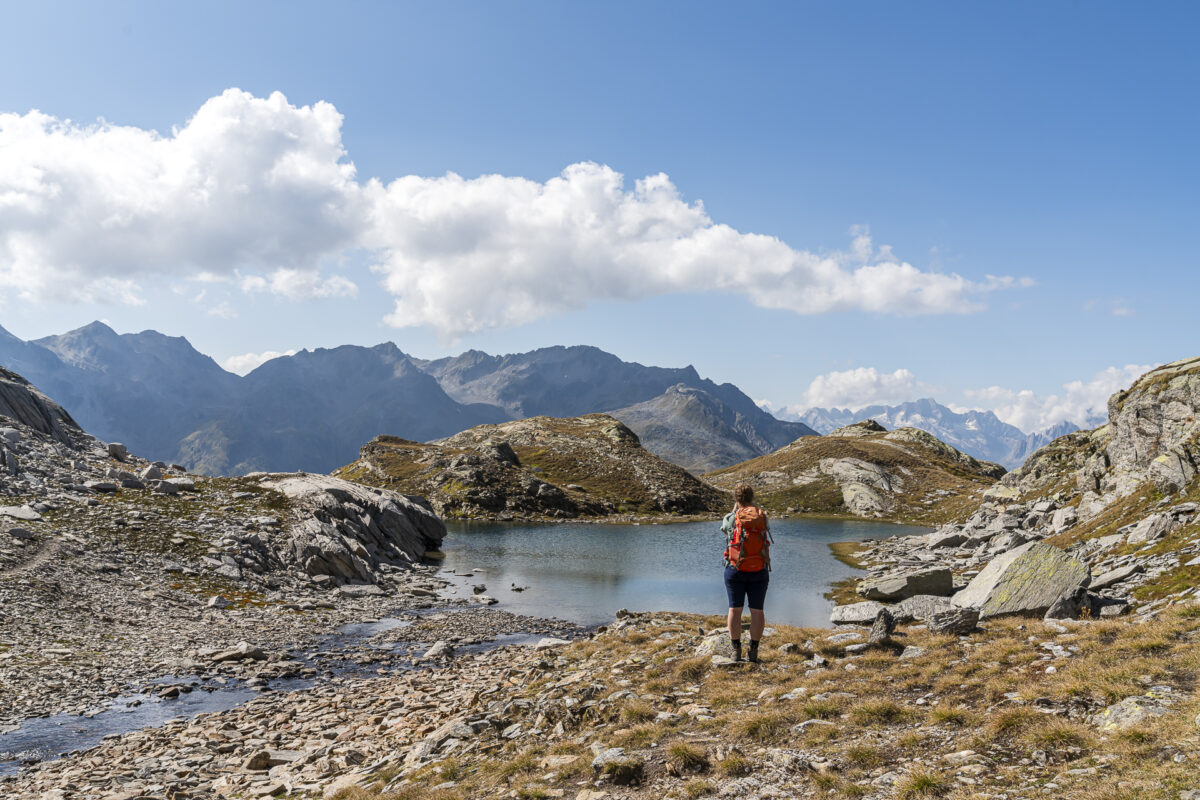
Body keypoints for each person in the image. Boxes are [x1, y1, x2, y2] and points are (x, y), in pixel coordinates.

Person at [721, 483, 771, 663]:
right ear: (752, 497)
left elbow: (724, 531)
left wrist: (734, 512)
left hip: (735, 569)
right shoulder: (761, 516)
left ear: (736, 499)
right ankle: (754, 650)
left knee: (735, 609)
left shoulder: (731, 517)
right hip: (759, 569)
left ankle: (736, 650)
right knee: (757, 611)